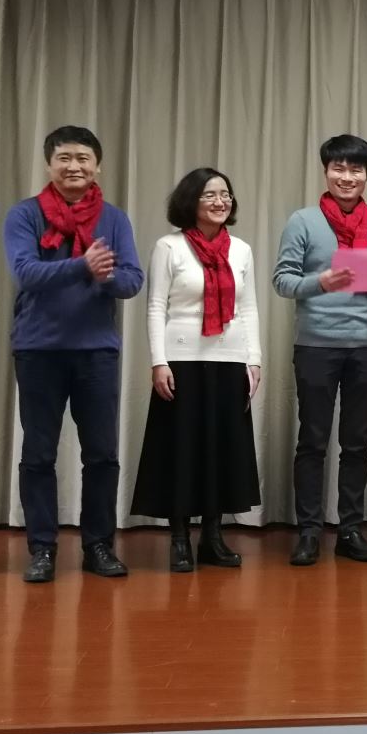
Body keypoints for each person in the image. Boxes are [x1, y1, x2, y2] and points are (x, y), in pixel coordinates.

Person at [4, 126, 144, 584]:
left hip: (96, 352)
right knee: (38, 454)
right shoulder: (25, 214)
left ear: (97, 166)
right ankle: (42, 548)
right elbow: (25, 273)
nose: (74, 166)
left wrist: (106, 277)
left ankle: (98, 545)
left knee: (102, 454)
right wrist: (83, 266)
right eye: (64, 158)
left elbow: (132, 281)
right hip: (38, 349)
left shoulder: (114, 219)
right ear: (49, 164)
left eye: (83, 158)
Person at [273, 135, 367, 566]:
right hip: (316, 345)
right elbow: (282, 280)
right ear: (326, 171)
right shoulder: (303, 221)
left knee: (357, 443)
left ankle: (351, 530)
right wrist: (321, 282)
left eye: (355, 170)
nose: (347, 177)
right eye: (339, 169)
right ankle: (309, 531)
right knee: (312, 440)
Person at [132, 168, 262, 572]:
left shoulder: (240, 250)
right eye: (210, 195)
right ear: (191, 201)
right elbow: (156, 306)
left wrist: (254, 359)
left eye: (226, 194)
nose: (220, 202)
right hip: (182, 360)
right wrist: (159, 360)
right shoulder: (169, 247)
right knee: (182, 449)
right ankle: (178, 539)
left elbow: (248, 308)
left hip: (230, 358)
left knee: (222, 449)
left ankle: (213, 537)